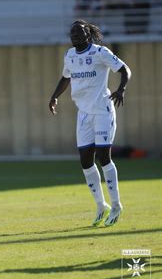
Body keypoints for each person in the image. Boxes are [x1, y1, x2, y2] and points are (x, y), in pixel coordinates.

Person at [48, 19, 131, 227]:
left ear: (88, 35)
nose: (74, 36)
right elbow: (65, 78)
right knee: (85, 160)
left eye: (78, 33)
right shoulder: (69, 56)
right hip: (83, 114)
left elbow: (124, 70)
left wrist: (121, 89)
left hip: (102, 110)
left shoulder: (100, 52)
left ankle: (117, 204)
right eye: (72, 33)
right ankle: (101, 206)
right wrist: (54, 96)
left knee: (104, 156)